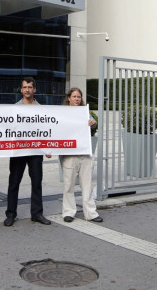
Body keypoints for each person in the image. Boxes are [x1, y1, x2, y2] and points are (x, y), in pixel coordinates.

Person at [3, 77, 51, 226]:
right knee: (14, 183)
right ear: (21, 90)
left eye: (30, 87)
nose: (27, 90)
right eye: (25, 87)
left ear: (34, 89)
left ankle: (37, 213)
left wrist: (47, 148)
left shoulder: (41, 109)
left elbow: (45, 131)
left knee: (37, 182)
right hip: (18, 151)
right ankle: (11, 214)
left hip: (35, 151)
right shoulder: (14, 109)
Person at [60, 87, 103, 223]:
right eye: (74, 96)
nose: (77, 99)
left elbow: (94, 125)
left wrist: (94, 123)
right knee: (68, 185)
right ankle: (69, 212)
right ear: (68, 98)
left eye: (78, 97)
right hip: (69, 155)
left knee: (87, 185)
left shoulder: (85, 112)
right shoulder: (62, 113)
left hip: (85, 153)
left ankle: (90, 213)